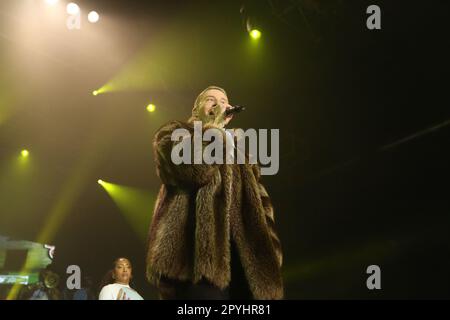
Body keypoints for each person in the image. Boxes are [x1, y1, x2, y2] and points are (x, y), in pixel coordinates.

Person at [146, 86, 283, 299]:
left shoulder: (242, 155)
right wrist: (215, 129)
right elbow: (195, 171)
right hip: (193, 260)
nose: (219, 104)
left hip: (245, 262)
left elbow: (263, 204)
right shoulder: (173, 133)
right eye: (211, 100)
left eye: (224, 100)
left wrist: (270, 250)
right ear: (195, 109)